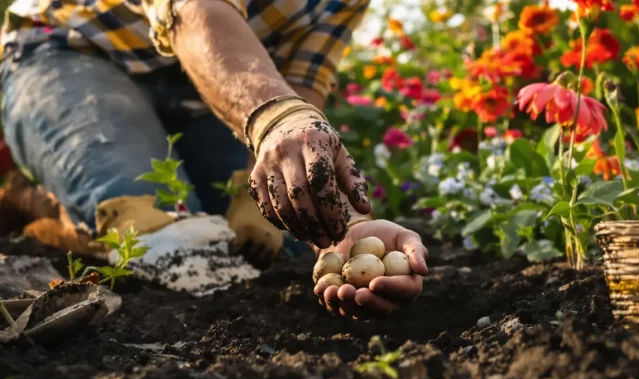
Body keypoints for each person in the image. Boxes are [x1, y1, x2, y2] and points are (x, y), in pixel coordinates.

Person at [0, 0, 428, 319]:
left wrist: (341, 226)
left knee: (267, 242)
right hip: (73, 50)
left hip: (204, 93)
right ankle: (43, 203)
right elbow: (193, 12)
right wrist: (278, 121)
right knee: (165, 240)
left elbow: (302, 81)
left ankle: (83, 186)